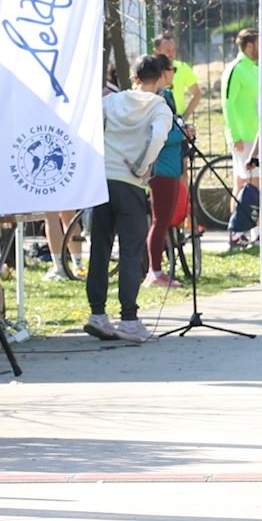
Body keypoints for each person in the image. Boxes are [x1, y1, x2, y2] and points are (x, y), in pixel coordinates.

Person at [83, 55, 172, 344]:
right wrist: (143, 165)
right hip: (131, 183)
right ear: (159, 79)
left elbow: (93, 130)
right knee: (131, 251)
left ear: (132, 77)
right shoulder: (160, 106)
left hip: (103, 180)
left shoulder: (110, 101)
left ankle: (97, 314)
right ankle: (129, 318)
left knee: (100, 248)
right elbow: (158, 136)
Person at [146, 53, 190, 288]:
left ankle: (156, 269)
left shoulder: (167, 96)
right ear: (163, 73)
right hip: (161, 166)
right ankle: (155, 271)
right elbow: (160, 136)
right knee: (160, 220)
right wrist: (183, 134)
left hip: (170, 166)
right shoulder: (157, 100)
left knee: (163, 219)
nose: (174, 73)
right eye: (172, 69)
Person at [222, 28, 260, 195]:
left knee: (245, 185)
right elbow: (227, 103)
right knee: (250, 185)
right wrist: (235, 136)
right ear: (250, 45)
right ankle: (245, 222)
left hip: (256, 135)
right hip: (244, 138)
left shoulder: (254, 68)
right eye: (260, 44)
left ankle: (239, 221)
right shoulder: (235, 69)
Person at [153, 33, 202, 120]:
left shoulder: (182, 68)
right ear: (156, 52)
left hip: (176, 124)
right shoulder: (149, 69)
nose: (171, 54)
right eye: (167, 50)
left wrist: (184, 117)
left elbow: (197, 94)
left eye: (173, 50)